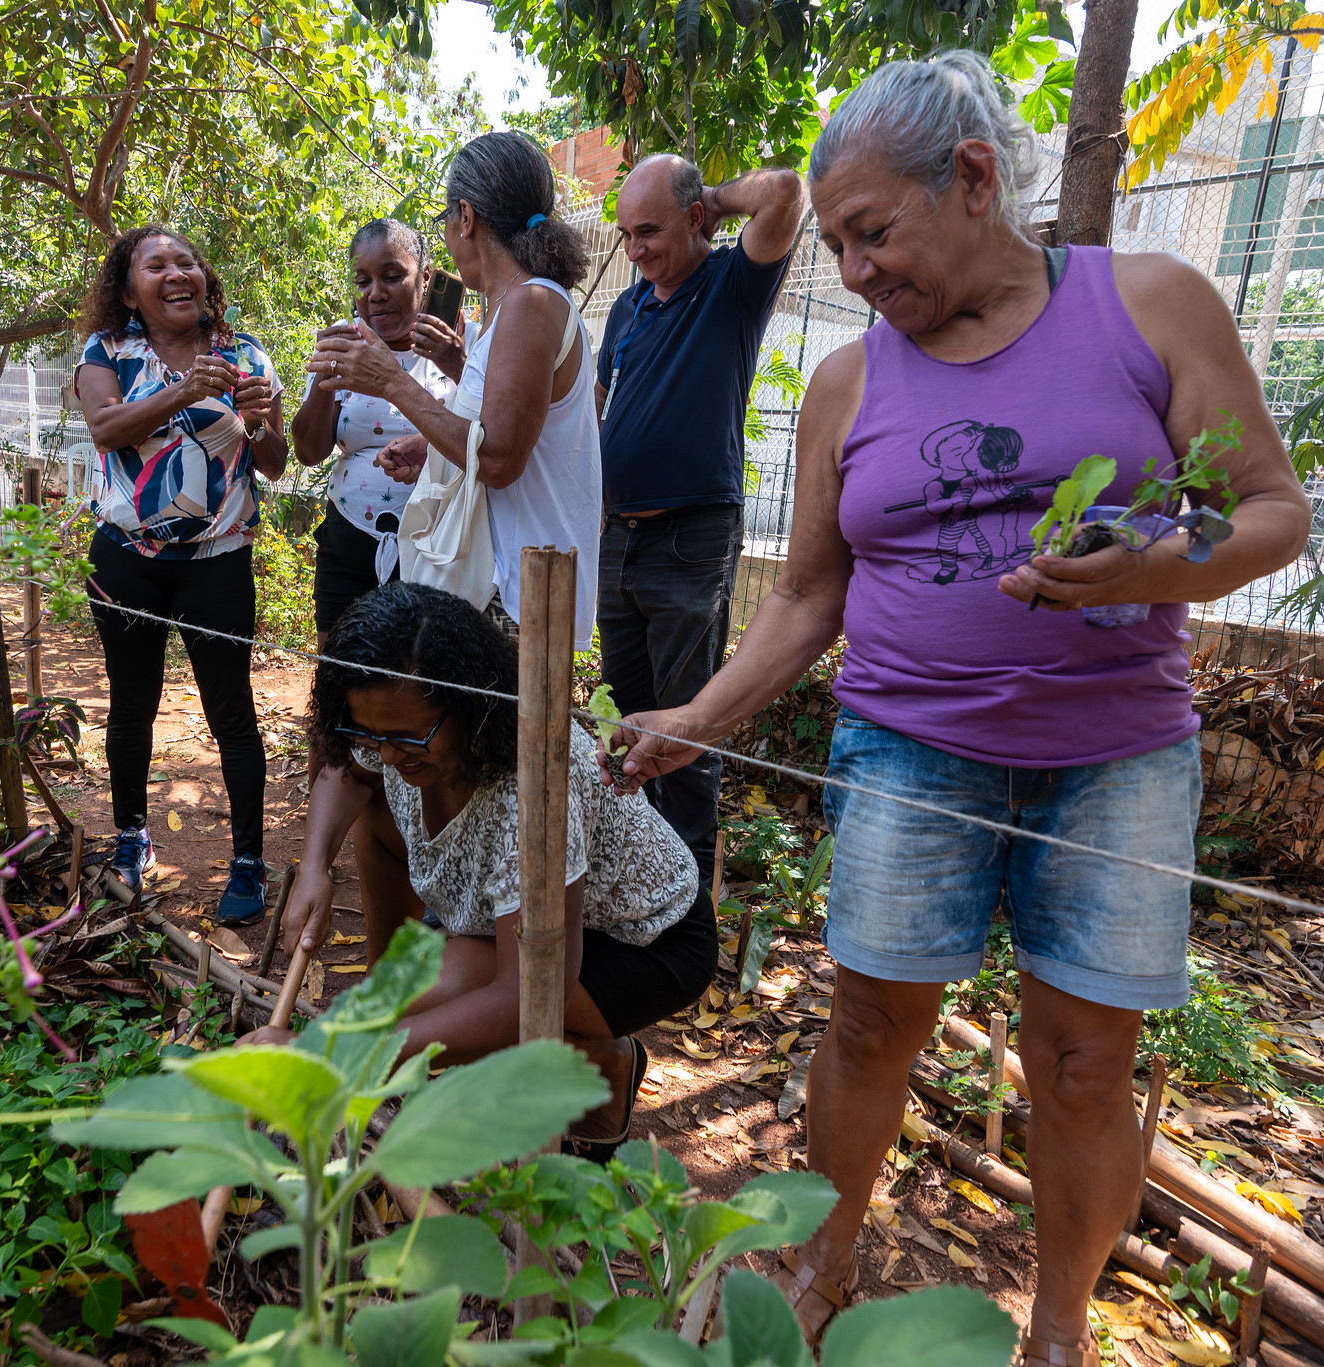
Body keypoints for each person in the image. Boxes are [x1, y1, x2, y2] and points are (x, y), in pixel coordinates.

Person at [603, 52, 1311, 1362]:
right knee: (871, 1022)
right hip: (908, 749)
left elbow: (1270, 508)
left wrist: (1153, 566)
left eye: (875, 234)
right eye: (837, 246)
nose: (858, 273)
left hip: (1116, 760)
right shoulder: (848, 383)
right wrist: (697, 714)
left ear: (975, 180)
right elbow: (808, 601)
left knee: (1088, 1063)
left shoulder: (1151, 304)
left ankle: (1057, 1324)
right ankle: (826, 1256)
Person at [254, 581, 717, 1152]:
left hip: (645, 940)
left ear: (470, 706)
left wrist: (338, 1052)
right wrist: (315, 864)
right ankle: (391, 1009)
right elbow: (348, 768)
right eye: (370, 734)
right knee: (393, 1003)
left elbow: (525, 995)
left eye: (408, 738)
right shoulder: (391, 737)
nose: (390, 757)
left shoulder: (534, 785)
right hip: (515, 921)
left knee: (415, 1011)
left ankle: (605, 1065)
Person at [307, 132, 600, 650]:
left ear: (466, 216)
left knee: (505, 732)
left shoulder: (530, 304)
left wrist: (392, 382)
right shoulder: (510, 306)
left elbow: (500, 459)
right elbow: (498, 432)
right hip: (505, 580)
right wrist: (431, 450)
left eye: (446, 220)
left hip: (517, 591)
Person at [594, 154, 805, 875]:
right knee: (623, 717)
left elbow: (783, 192)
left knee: (686, 725)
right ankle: (636, 881)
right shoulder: (630, 305)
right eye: (625, 235)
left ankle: (687, 907)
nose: (635, 250)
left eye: (648, 230)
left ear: (694, 220)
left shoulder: (731, 284)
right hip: (619, 538)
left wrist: (717, 195)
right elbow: (602, 404)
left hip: (692, 536)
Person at [74, 226, 288, 924]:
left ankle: (249, 862)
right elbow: (107, 428)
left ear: (204, 278)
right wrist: (183, 391)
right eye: (155, 264)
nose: (176, 273)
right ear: (128, 286)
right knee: (132, 705)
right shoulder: (106, 351)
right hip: (126, 561)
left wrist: (262, 424)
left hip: (217, 562)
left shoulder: (244, 351)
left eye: (187, 262)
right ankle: (133, 840)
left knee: (232, 712)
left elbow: (278, 461)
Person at [289, 219, 468, 638]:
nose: (375, 294)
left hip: (438, 548)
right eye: (362, 280)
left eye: (391, 276)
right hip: (348, 541)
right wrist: (324, 374)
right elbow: (309, 451)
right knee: (341, 677)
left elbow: (489, 435)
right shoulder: (346, 349)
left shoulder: (465, 345)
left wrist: (456, 362)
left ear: (425, 277)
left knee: (424, 679)